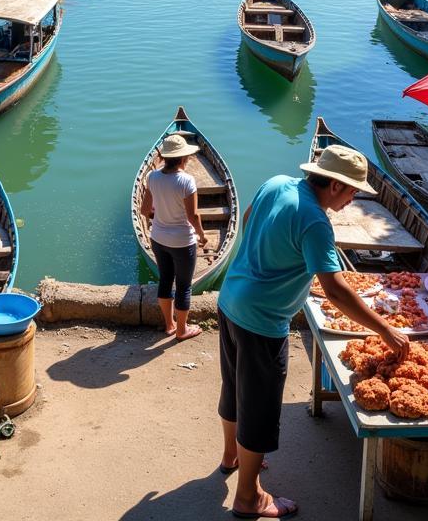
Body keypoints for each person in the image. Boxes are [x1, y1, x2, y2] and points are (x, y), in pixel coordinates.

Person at [216, 146, 409, 519]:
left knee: (234, 387)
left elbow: (249, 221)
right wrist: (385, 329)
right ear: (334, 185)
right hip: (262, 321)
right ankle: (248, 498)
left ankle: (231, 456)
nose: (354, 197)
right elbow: (335, 289)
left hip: (230, 302)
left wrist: (269, 260)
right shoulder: (316, 221)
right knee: (258, 408)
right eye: (353, 190)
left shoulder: (277, 183)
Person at [139, 133, 209, 340]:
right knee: (184, 286)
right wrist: (202, 236)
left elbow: (144, 211)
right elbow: (193, 215)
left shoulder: (152, 177)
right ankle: (181, 330)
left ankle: (170, 325)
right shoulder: (186, 181)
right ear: (182, 158)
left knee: (165, 280)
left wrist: (161, 213)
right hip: (182, 242)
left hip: (158, 239)